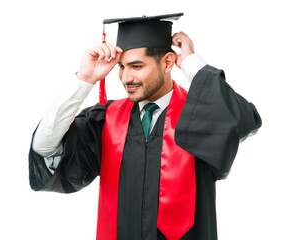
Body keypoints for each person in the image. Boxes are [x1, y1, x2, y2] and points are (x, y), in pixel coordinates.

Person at [28, 13, 262, 240]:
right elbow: (45, 148)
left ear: (168, 63)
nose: (125, 78)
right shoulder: (105, 119)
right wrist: (84, 80)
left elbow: (242, 119)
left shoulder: (200, 117)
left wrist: (190, 62)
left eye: (136, 66)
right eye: (121, 67)